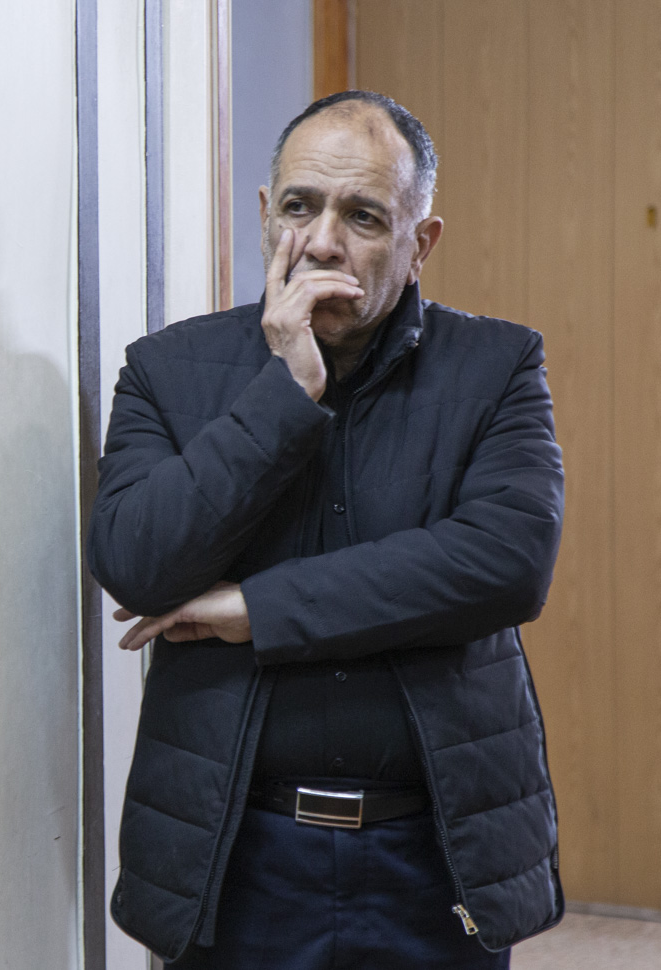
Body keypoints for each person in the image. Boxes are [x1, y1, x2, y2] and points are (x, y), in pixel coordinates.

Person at [88, 90, 566, 969]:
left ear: (421, 243)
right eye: (300, 207)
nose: (320, 243)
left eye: (364, 216)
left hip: (435, 847)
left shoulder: (497, 367)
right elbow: (135, 563)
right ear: (265, 216)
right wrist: (283, 395)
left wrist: (256, 610)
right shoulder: (164, 370)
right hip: (234, 848)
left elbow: (506, 563)